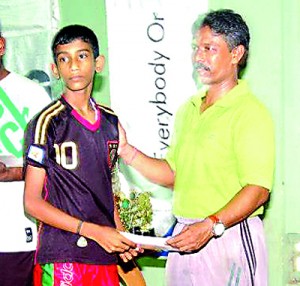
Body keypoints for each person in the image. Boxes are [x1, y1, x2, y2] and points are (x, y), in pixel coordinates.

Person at [118, 9, 275, 286]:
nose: (198, 57)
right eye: (196, 48)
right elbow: (174, 175)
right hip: (186, 239)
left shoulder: (250, 112)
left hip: (229, 237)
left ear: (236, 54)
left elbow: (258, 189)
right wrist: (128, 151)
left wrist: (212, 225)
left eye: (209, 48)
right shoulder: (187, 110)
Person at [23, 25, 140, 286]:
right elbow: (31, 202)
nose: (73, 65)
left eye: (82, 56)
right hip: (63, 255)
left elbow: (108, 191)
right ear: (55, 69)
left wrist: (120, 240)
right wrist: (91, 230)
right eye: (64, 59)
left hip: (104, 255)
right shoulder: (45, 123)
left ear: (98, 63)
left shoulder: (111, 122)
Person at [0, 22, 51, 286]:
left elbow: (54, 163)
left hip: (15, 231)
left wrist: (13, 173)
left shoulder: (32, 94)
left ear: (1, 45)